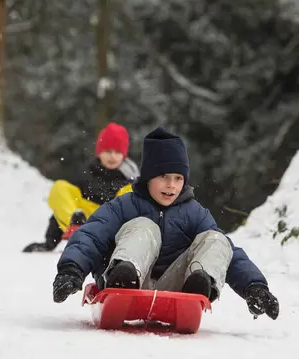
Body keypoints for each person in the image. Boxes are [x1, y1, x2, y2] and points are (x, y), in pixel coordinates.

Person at [51, 127, 279, 320]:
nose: (171, 185)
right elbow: (92, 235)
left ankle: (200, 284)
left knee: (216, 239)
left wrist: (254, 287)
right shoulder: (125, 205)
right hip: (122, 283)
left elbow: (228, 253)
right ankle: (125, 276)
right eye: (163, 177)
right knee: (143, 226)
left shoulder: (194, 212)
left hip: (175, 288)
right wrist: (72, 270)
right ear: (148, 176)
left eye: (178, 178)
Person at [23, 122, 139, 253]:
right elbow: (61, 208)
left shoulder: (128, 177)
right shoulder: (87, 173)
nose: (112, 156)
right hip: (83, 220)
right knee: (61, 187)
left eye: (117, 152)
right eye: (108, 151)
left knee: (132, 192)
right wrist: (50, 242)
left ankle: (107, 241)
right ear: (99, 152)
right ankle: (75, 227)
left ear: (123, 155)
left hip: (109, 224)